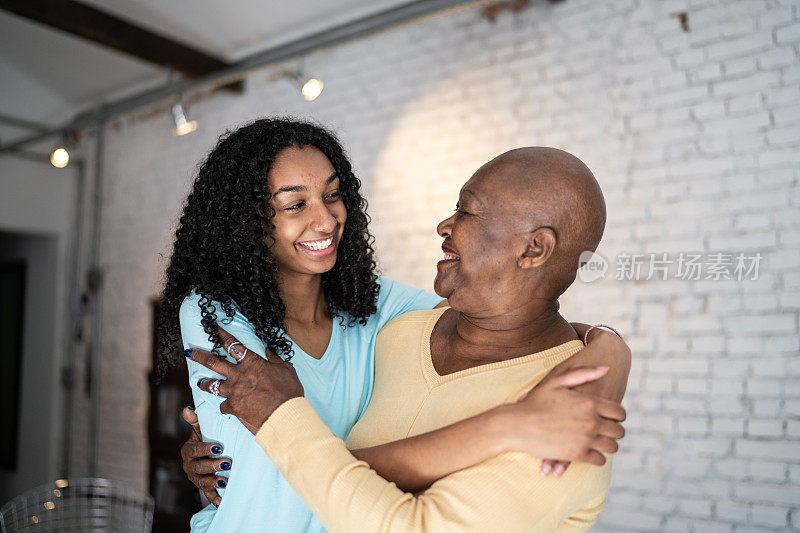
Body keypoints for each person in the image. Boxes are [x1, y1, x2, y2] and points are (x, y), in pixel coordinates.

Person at [161, 119, 629, 532]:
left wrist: (608, 349)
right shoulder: (217, 315)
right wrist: (509, 423)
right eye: (294, 204)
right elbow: (271, 490)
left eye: (331, 195)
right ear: (246, 221)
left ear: (534, 249)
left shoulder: (383, 311)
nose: (325, 219)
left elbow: (511, 318)